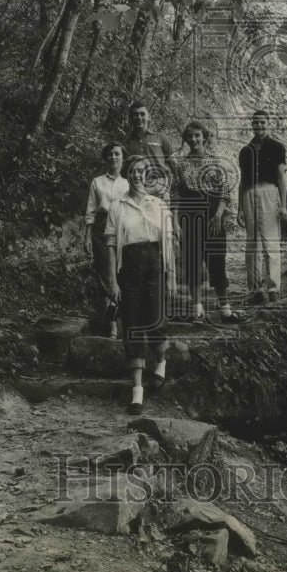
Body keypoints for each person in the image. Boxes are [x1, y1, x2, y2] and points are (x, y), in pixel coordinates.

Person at [105, 154, 175, 415]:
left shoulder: (158, 204)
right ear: (128, 174)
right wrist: (113, 280)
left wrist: (172, 276)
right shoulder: (117, 206)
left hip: (155, 265)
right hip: (130, 268)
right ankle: (137, 391)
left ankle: (160, 361)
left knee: (156, 323)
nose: (137, 175)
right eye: (133, 171)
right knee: (132, 326)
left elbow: (168, 244)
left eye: (142, 171)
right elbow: (111, 247)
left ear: (149, 176)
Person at [172, 119, 241, 324]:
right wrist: (175, 222)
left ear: (204, 137)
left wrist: (219, 215)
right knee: (193, 263)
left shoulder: (215, 162)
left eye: (197, 136)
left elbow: (224, 192)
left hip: (212, 217)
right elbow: (175, 195)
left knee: (217, 261)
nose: (194, 139)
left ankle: (226, 311)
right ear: (186, 139)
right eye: (190, 136)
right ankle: (198, 312)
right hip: (189, 217)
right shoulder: (181, 165)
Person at [237, 110, 287, 304]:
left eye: (262, 122)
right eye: (255, 123)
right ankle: (255, 290)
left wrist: (283, 205)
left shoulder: (276, 147)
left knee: (271, 243)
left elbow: (282, 178)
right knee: (252, 244)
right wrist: (240, 208)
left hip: (269, 193)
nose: (258, 126)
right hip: (249, 194)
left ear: (268, 123)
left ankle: (273, 288)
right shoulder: (245, 151)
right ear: (252, 124)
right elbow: (242, 181)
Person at [84, 141, 129, 338]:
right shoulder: (97, 182)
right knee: (106, 276)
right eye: (110, 154)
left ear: (123, 158)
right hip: (101, 232)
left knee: (121, 275)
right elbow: (91, 210)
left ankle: (123, 319)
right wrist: (87, 236)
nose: (113, 157)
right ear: (105, 158)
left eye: (117, 154)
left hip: (123, 231)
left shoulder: (128, 183)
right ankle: (111, 325)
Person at [122, 99, 175, 202]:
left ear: (148, 117)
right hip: (136, 189)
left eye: (142, 114)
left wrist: (167, 189)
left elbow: (174, 166)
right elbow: (123, 172)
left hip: (159, 188)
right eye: (135, 114)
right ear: (130, 118)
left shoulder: (161, 138)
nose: (139, 118)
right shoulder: (125, 144)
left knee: (160, 217)